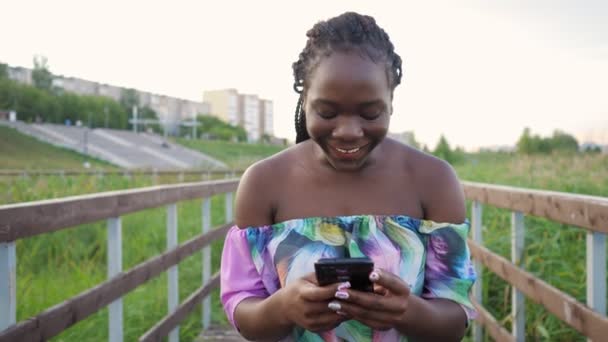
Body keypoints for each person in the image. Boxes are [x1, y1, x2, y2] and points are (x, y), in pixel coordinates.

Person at [220, 12, 476, 341]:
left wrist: (407, 311)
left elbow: (454, 320)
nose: (348, 132)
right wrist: (282, 308)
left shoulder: (434, 181)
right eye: (327, 112)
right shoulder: (262, 184)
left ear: (391, 102)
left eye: (370, 113)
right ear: (304, 100)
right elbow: (242, 308)